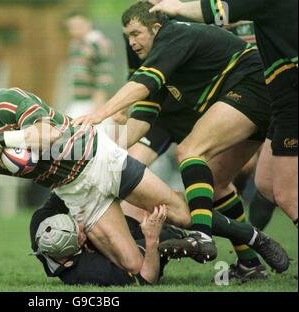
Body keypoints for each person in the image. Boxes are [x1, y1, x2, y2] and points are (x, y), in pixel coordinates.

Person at [0, 84, 193, 283]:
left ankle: (214, 227)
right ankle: (159, 239)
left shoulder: (12, 101)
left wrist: (1, 139)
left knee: (184, 214)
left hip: (96, 158)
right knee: (131, 267)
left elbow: (50, 135)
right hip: (74, 191)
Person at [71, 1, 273, 263]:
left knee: (191, 151)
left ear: (156, 27)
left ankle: (201, 236)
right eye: (128, 36)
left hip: (253, 86)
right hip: (236, 97)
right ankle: (249, 262)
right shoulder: (146, 48)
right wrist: (102, 150)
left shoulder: (173, 33)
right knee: (218, 181)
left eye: (135, 34)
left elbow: (143, 85)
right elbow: (144, 111)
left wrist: (99, 114)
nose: (131, 42)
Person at [149, 0, 298, 227]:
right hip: (279, 100)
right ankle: (251, 257)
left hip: (289, 96)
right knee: (266, 183)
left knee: (288, 195)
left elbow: (214, 11)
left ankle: (206, 235)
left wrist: (176, 6)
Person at [30, 193, 289, 285]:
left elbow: (64, 186)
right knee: (168, 215)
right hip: (144, 250)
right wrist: (151, 238)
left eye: (76, 225)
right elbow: (145, 280)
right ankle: (181, 241)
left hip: (122, 226)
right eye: (81, 234)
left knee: (169, 199)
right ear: (69, 260)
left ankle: (246, 244)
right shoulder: (88, 272)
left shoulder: (42, 224)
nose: (83, 226)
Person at [64, 12, 114, 118]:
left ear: (89, 23)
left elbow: (104, 74)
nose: (75, 29)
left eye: (79, 25)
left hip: (93, 102)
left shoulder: (98, 43)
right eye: (72, 26)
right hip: (78, 100)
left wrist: (98, 104)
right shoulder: (75, 44)